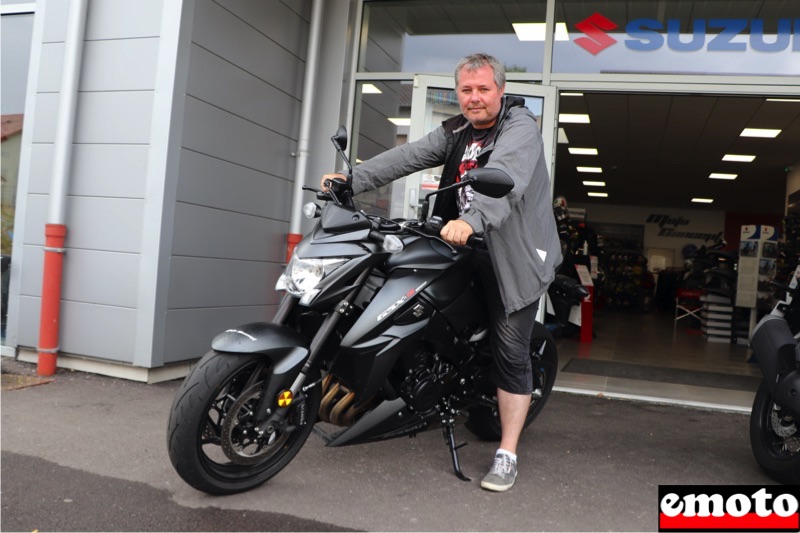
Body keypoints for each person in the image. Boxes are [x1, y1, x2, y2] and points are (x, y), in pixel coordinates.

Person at [321, 53, 562, 492]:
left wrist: (471, 220)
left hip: (514, 252)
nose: (474, 98)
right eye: (466, 90)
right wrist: (350, 181)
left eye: (483, 89)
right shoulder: (456, 132)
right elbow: (409, 155)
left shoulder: (520, 128)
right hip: (462, 241)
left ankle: (507, 452)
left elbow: (506, 176)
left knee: (511, 349)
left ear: (500, 91)